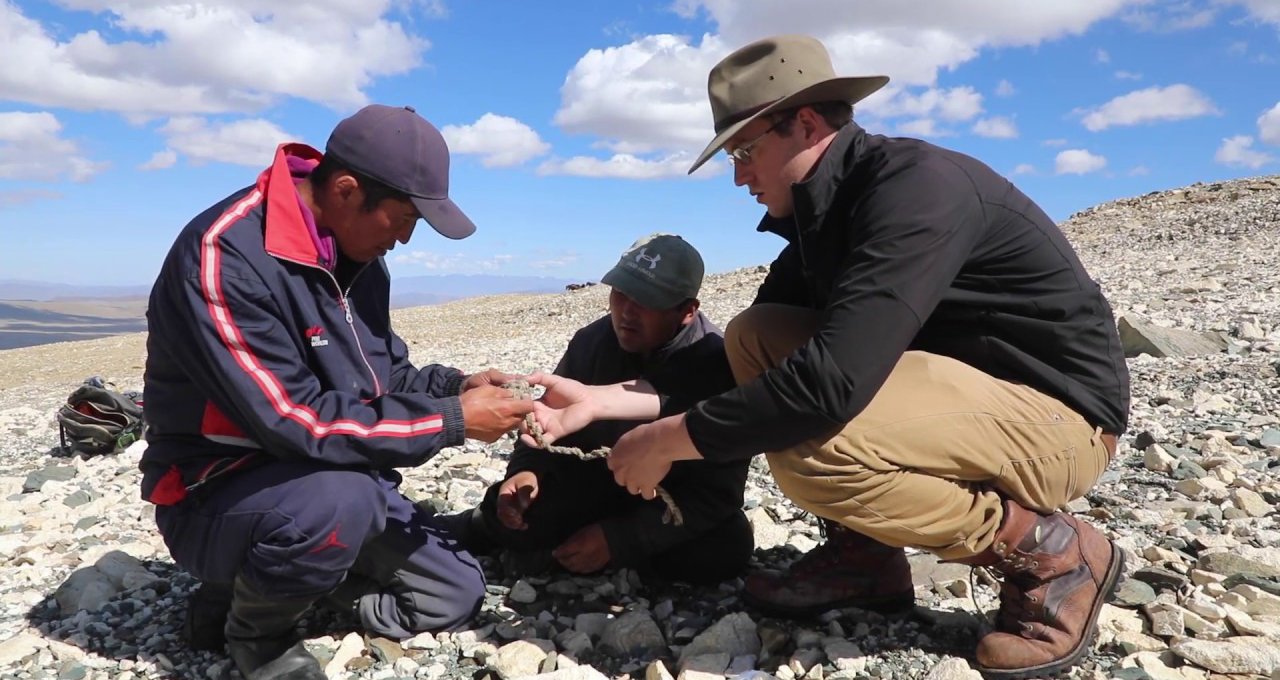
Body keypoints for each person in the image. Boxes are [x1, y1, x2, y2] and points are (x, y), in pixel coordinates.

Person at [527, 35, 1130, 679]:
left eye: (745, 151)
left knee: (810, 451)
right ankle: (868, 557)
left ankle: (1053, 553)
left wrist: (666, 440)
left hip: (1061, 422)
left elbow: (829, 385)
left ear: (808, 124)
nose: (739, 176)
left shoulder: (915, 192)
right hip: (966, 401)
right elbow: (732, 373)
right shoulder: (828, 216)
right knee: (756, 334)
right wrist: (603, 401)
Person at [140, 104, 534, 680]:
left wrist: (459, 386)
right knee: (340, 502)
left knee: (452, 594)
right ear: (347, 190)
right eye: (404, 218)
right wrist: (452, 421)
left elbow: (384, 378)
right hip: (219, 491)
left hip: (335, 479)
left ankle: (286, 582)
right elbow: (293, 420)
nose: (405, 238)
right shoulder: (224, 256)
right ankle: (258, 636)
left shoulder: (359, 259)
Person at [460, 234, 752, 584]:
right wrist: (527, 472)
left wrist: (621, 538)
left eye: (647, 301)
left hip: (669, 499)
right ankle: (483, 529)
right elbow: (545, 423)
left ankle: (584, 557)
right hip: (595, 483)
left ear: (687, 311)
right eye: (621, 293)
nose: (627, 311)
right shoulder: (592, 342)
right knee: (515, 510)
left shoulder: (717, 365)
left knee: (726, 548)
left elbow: (718, 493)